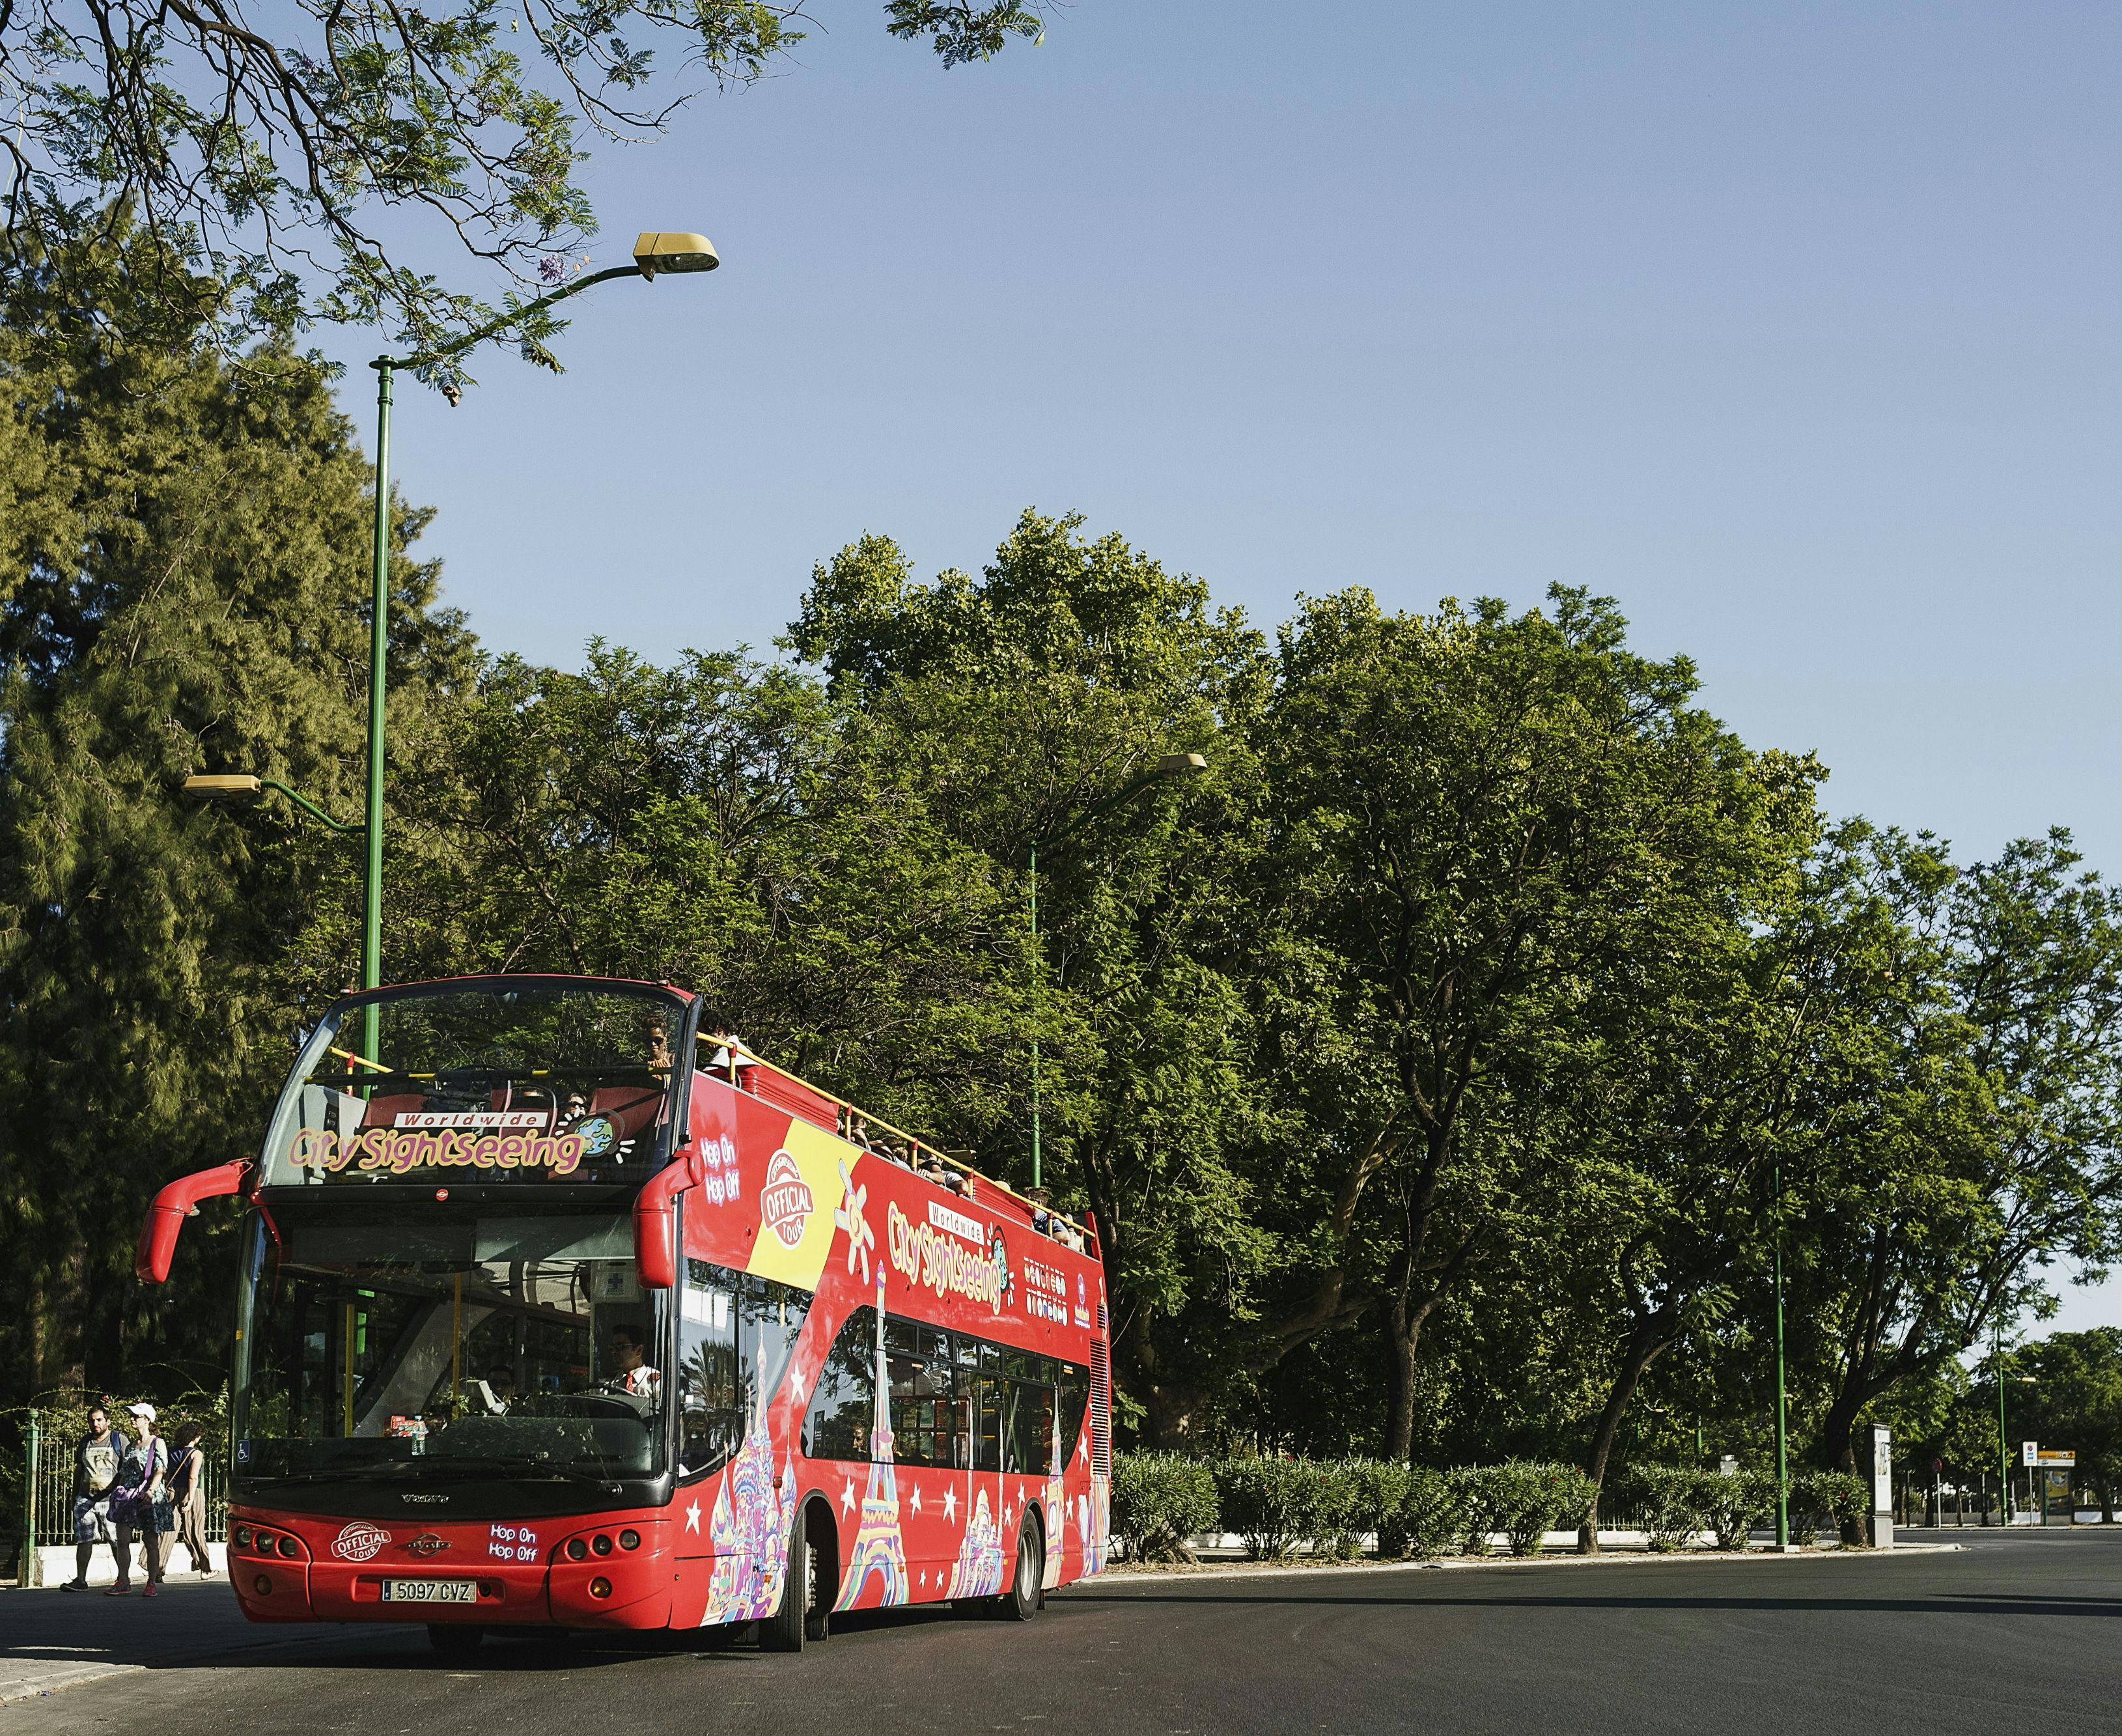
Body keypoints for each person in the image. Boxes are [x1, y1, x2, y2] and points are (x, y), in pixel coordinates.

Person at [106, 1403, 171, 1597]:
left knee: (151, 1541)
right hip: (130, 1495)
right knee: (122, 1539)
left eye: (136, 1415)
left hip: (149, 1496)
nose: (132, 1418)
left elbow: (161, 1469)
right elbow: (124, 1473)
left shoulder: (157, 1443)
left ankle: (151, 1582)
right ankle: (123, 1580)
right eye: (131, 1415)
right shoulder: (131, 1445)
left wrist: (150, 1492)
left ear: (148, 1419)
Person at [61, 1403, 123, 1591]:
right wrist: (74, 1496)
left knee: (116, 1540)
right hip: (85, 1499)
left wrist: (122, 1493)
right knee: (84, 1540)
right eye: (92, 1420)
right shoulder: (85, 1442)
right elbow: (79, 1469)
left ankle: (123, 1579)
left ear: (107, 1421)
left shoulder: (118, 1439)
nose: (95, 1423)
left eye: (99, 1420)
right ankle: (81, 1580)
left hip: (109, 1499)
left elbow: (126, 1468)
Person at [165, 1422, 212, 1578]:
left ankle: (156, 1568)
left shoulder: (170, 1451)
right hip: (191, 1493)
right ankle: (205, 1568)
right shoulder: (196, 1454)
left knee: (167, 1532)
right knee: (195, 1531)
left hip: (172, 1491)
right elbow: (193, 1477)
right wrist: (191, 1499)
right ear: (195, 1436)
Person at [603, 1323, 661, 1401]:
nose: (614, 1352)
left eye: (621, 1347)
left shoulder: (656, 1382)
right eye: (612, 1348)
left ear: (639, 1350)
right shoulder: (608, 1382)